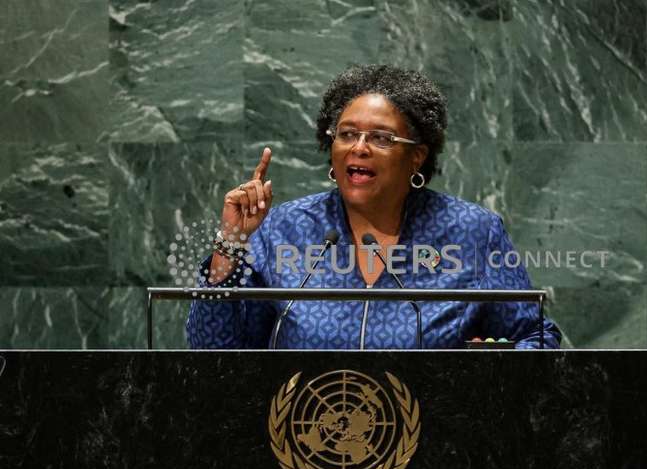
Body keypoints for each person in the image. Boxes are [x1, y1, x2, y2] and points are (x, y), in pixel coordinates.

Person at [186, 64, 561, 349]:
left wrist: (499, 362)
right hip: (299, 440)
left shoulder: (471, 232)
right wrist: (230, 244)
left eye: (381, 137)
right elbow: (212, 349)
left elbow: (537, 335)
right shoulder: (285, 228)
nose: (359, 147)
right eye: (347, 134)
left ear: (416, 157)